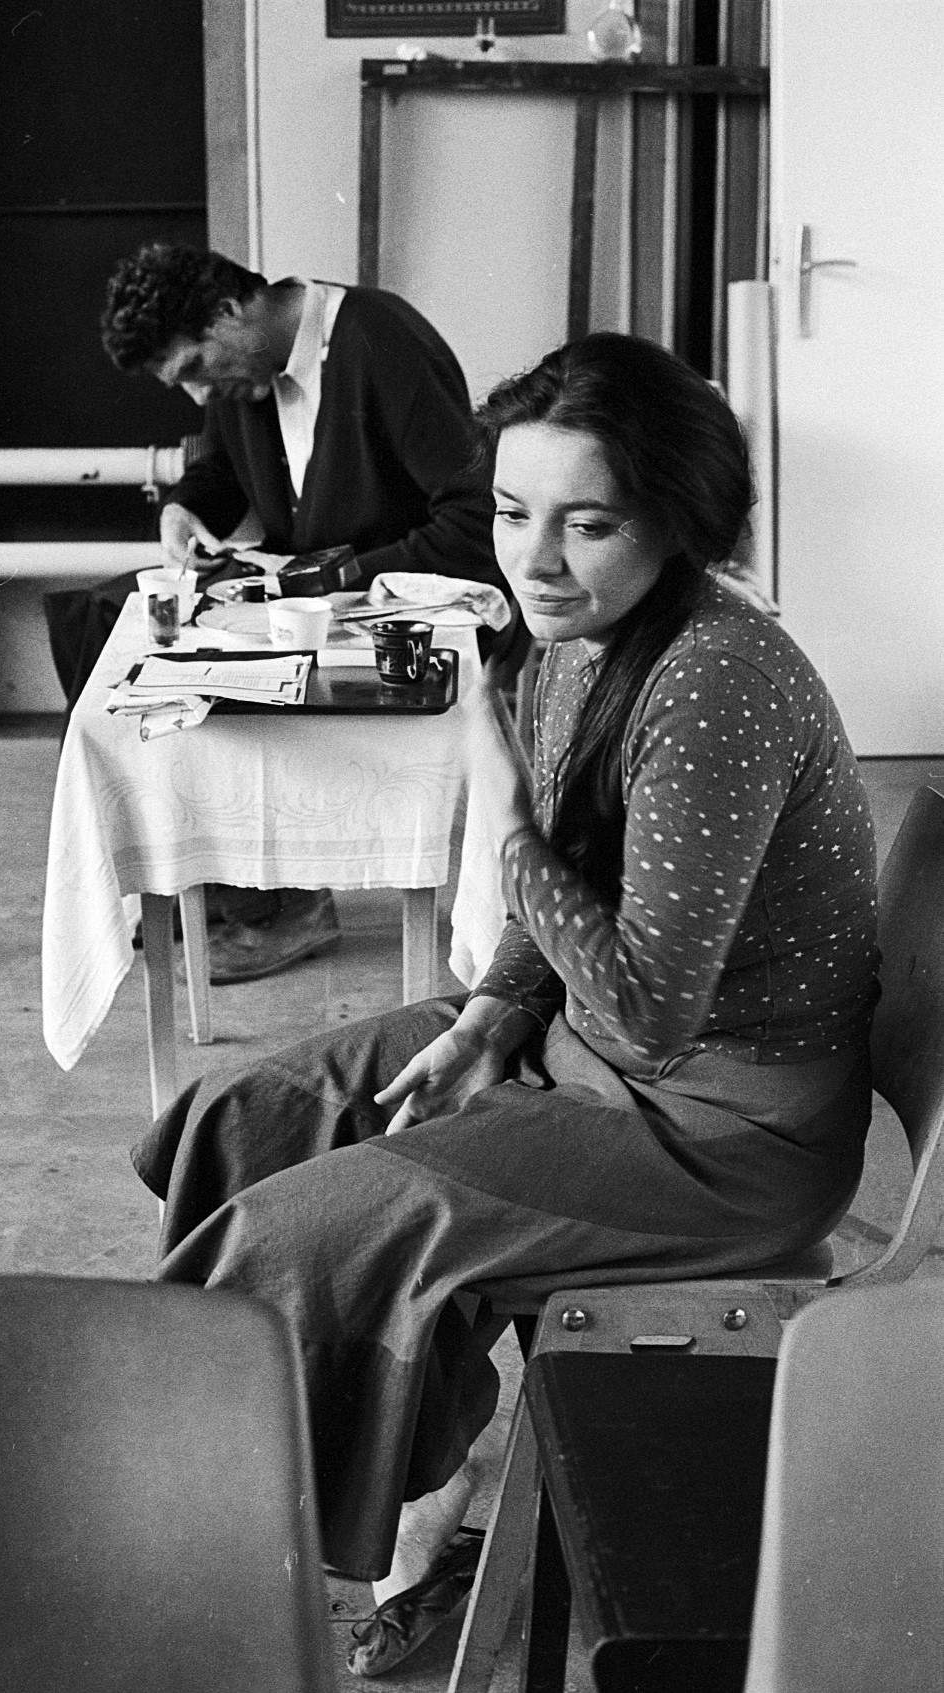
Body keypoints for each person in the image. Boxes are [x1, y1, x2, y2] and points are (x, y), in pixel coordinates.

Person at [130, 332, 879, 1677]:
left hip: (713, 1134)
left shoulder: (713, 678)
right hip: (582, 1048)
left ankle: (238, 1561)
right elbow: (574, 895)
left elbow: (646, 1010)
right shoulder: (579, 638)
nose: (534, 560)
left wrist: (503, 809)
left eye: (588, 525)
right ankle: (329, 1506)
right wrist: (485, 1015)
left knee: (302, 1237)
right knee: (250, 1114)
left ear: (677, 522)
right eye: (514, 513)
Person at [46, 243, 514, 982]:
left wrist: (337, 577)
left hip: (391, 605)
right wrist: (184, 509)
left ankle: (281, 903)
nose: (198, 394)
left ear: (230, 309)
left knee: (211, 673)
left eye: (196, 366)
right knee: (102, 617)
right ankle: (196, 870)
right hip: (308, 592)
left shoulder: (380, 340)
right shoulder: (248, 371)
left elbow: (473, 518)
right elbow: (220, 472)